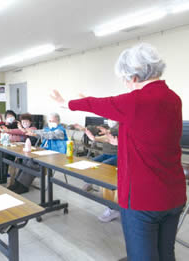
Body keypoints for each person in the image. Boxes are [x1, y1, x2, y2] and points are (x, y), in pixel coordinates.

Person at [50, 43, 186, 261]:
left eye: (125, 80)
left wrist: (65, 103)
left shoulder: (136, 101)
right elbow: (149, 133)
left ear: (133, 76)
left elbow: (98, 103)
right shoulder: (173, 98)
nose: (125, 85)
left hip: (143, 199)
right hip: (174, 194)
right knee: (166, 254)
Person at [9, 113, 67, 194]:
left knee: (32, 163)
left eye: (52, 121)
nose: (50, 122)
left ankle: (24, 186)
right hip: (46, 153)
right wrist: (32, 132)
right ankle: (17, 182)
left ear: (58, 121)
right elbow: (40, 132)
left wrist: (35, 133)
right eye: (49, 120)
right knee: (26, 160)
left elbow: (49, 135)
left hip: (57, 155)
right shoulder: (48, 128)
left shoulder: (60, 130)